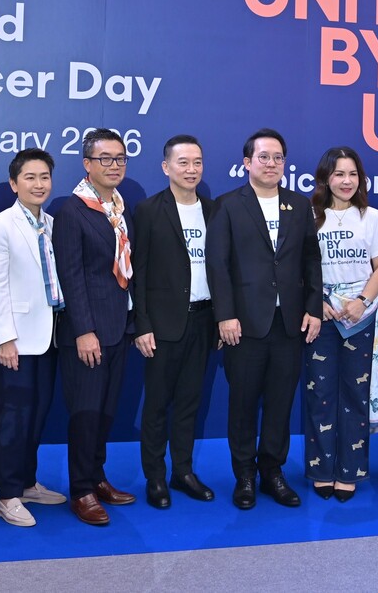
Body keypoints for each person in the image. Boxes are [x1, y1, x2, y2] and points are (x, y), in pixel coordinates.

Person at [208, 128, 323, 510]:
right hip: (244, 325)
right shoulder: (228, 205)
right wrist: (225, 315)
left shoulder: (299, 205)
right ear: (247, 162)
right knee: (242, 404)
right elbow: (218, 265)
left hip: (289, 324)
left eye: (278, 157)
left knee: (279, 403)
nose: (271, 163)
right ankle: (244, 475)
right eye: (263, 157)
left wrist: (313, 309)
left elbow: (311, 260)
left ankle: (273, 471)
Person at [0, 148, 67, 528]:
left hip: (47, 338)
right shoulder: (0, 226)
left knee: (37, 415)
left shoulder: (52, 224)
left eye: (44, 177)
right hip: (12, 342)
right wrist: (5, 339)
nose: (39, 184)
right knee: (14, 420)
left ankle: (27, 483)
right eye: (30, 177)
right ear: (14, 184)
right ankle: (8, 495)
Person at [54, 128, 137, 525]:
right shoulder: (72, 211)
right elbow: (71, 276)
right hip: (87, 335)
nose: (114, 165)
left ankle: (97, 477)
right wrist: (83, 330)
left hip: (117, 327)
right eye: (105, 158)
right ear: (87, 163)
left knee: (105, 413)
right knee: (85, 414)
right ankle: (81, 490)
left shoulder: (119, 208)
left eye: (120, 158)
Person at [133, 135, 218, 509]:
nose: (191, 169)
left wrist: (221, 319)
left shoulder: (214, 211)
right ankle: (155, 477)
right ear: (166, 167)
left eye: (197, 162)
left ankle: (182, 472)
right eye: (183, 162)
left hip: (203, 321)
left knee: (189, 403)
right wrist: (142, 324)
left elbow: (223, 270)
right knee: (156, 406)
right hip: (162, 326)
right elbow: (139, 273)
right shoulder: (149, 211)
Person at [305, 146, 378, 502]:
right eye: (339, 174)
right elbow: (298, 267)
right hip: (321, 317)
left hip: (360, 317)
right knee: (320, 394)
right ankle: (321, 469)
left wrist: (362, 301)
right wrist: (317, 303)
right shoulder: (310, 215)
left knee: (355, 395)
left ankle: (350, 471)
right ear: (326, 178)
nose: (346, 181)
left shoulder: (371, 217)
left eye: (353, 174)